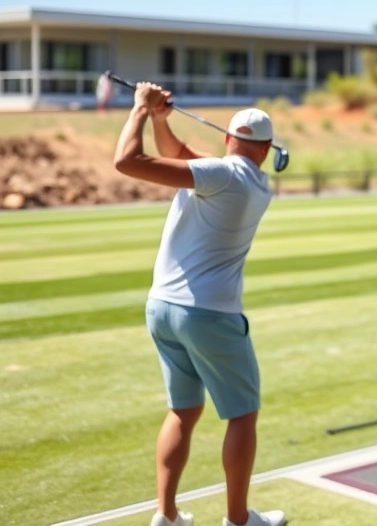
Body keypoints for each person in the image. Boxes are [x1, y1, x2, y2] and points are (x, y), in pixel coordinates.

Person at [113, 82, 286, 526]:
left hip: (161, 309)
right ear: (266, 149)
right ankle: (238, 521)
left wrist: (139, 109)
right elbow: (170, 155)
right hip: (210, 314)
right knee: (242, 414)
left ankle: (167, 515)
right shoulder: (251, 183)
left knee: (183, 410)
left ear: (227, 139)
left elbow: (129, 161)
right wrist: (158, 118)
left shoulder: (218, 174)